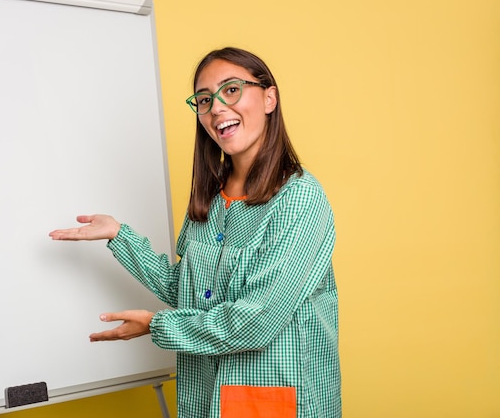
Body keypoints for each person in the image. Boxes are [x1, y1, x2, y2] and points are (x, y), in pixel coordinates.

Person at [49, 47, 341, 418]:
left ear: (270, 98)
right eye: (205, 99)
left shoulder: (299, 199)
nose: (217, 107)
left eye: (231, 89)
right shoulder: (209, 201)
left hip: (275, 405)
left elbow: (257, 320)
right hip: (204, 399)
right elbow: (187, 291)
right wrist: (118, 235)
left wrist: (157, 325)